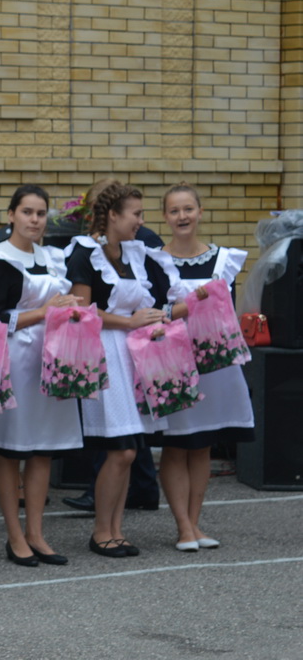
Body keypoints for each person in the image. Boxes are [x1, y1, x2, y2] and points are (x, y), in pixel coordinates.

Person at [0, 186, 83, 567]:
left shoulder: (53, 257)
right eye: (26, 212)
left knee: (43, 449)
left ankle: (36, 532)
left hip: (53, 358)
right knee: (10, 449)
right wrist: (44, 312)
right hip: (15, 361)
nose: (34, 220)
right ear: (11, 216)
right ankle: (15, 535)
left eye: (40, 213)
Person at [64, 183, 171, 558]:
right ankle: (101, 531)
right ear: (112, 215)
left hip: (133, 354)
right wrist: (129, 322)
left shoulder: (133, 253)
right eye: (136, 214)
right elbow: (80, 310)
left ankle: (116, 529)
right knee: (120, 450)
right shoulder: (85, 252)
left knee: (131, 448)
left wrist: (153, 320)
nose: (141, 221)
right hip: (104, 353)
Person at [157, 184, 255, 551]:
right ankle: (183, 527)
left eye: (188, 209)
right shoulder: (155, 261)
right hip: (173, 363)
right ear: (165, 217)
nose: (182, 216)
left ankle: (195, 523)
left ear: (200, 212)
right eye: (174, 211)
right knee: (176, 445)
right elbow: (152, 313)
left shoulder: (224, 260)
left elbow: (228, 313)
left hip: (215, 364)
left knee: (202, 446)